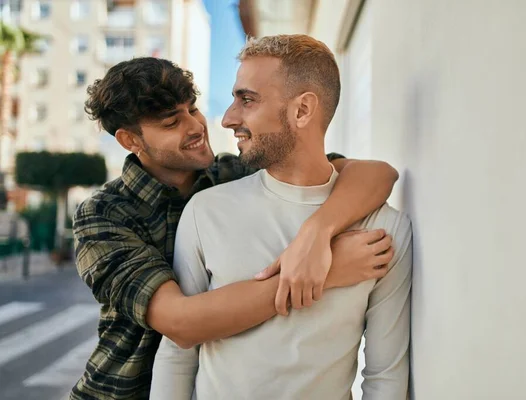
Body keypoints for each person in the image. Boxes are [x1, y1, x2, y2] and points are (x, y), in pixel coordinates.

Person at [71, 56, 400, 400]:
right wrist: (327, 269)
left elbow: (374, 173)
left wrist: (317, 232)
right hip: (121, 392)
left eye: (193, 109)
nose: (196, 126)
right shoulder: (103, 215)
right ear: (130, 141)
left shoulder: (234, 174)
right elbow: (183, 324)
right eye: (172, 123)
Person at [151, 35, 412, 400]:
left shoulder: (383, 230)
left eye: (247, 100)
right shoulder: (206, 211)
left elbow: (384, 375)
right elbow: (178, 355)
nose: (227, 119)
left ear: (302, 111)